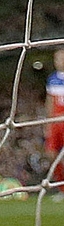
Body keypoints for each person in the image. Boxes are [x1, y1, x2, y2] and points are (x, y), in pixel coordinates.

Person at [46, 48, 64, 186]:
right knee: (51, 155)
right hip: (55, 122)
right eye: (57, 59)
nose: (60, 61)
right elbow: (50, 102)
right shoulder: (52, 79)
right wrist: (47, 123)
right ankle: (61, 187)